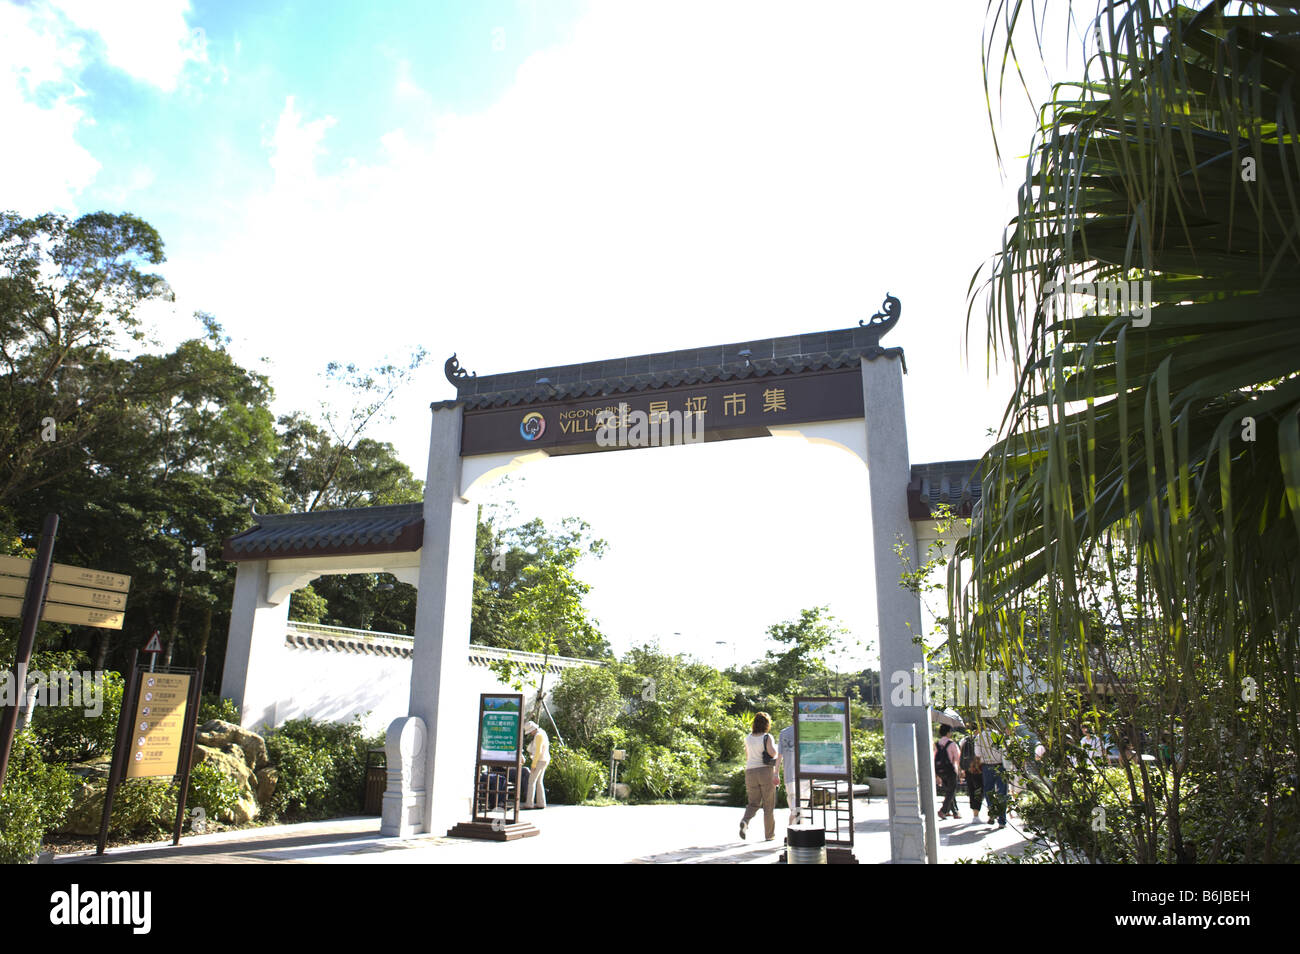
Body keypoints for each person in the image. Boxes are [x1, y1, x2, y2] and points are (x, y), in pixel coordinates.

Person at [739, 712, 779, 841]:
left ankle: (745, 820)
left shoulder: (748, 738)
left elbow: (747, 756)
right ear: (767, 724)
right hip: (765, 771)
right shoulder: (767, 737)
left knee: (753, 803)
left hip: (750, 772)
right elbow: (773, 753)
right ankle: (769, 835)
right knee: (768, 806)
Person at [975, 723, 1008, 828]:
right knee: (1002, 792)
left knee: (989, 791)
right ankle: (1002, 820)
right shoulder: (998, 734)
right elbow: (1004, 752)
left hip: (987, 766)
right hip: (1000, 765)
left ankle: (992, 812)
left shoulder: (979, 736)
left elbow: (977, 753)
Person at [934, 724, 962, 819]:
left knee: (949, 790)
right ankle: (943, 810)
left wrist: (936, 774)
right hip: (951, 770)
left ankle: (955, 812)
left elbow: (934, 757)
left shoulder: (937, 744)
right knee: (951, 790)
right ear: (948, 732)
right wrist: (961, 770)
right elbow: (958, 758)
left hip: (940, 770)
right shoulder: (952, 744)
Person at [777, 722, 802, 826]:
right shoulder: (806, 731)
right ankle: (796, 834)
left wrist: (776, 773)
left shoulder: (784, 732)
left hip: (789, 775)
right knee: (800, 809)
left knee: (795, 808)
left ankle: (793, 834)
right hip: (804, 776)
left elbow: (779, 756)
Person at [521, 720, 550, 810]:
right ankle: (541, 803)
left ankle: (529, 803)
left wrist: (533, 765)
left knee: (531, 781)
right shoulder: (542, 732)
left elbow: (538, 751)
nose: (530, 734)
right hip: (544, 759)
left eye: (530, 732)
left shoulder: (538, 736)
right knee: (539, 781)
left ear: (533, 729)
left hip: (539, 760)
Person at [960, 729, 983, 821]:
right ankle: (977, 813)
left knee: (971, 790)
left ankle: (975, 815)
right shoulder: (980, 740)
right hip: (978, 769)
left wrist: (962, 768)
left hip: (968, 769)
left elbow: (961, 755)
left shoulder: (965, 740)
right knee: (978, 790)